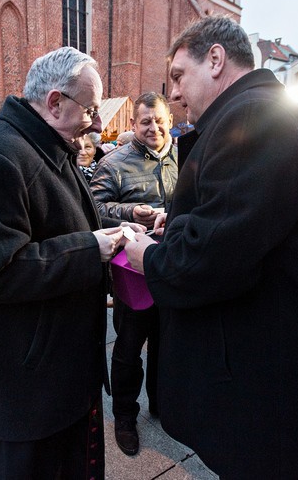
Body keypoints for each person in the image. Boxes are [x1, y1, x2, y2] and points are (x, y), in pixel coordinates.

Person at [123, 15, 298, 479]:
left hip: (266, 379)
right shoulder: (256, 111)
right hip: (268, 363)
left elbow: (213, 257)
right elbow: (243, 219)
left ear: (215, 59)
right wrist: (186, 220)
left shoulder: (253, 117)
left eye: (177, 76)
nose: (173, 94)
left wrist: (146, 255)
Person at [0, 46, 136, 479]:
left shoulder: (45, 146)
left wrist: (118, 227)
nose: (99, 123)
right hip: (24, 392)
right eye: (90, 109)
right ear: (54, 103)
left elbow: (65, 217)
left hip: (57, 378)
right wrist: (91, 248)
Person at [90, 91, 177, 456]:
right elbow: (92, 207)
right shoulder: (113, 162)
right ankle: (125, 415)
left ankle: (163, 405)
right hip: (132, 275)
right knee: (128, 348)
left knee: (168, 344)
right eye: (145, 122)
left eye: (159, 120)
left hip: (173, 267)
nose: (153, 127)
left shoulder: (186, 156)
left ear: (170, 121)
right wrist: (129, 213)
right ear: (132, 124)